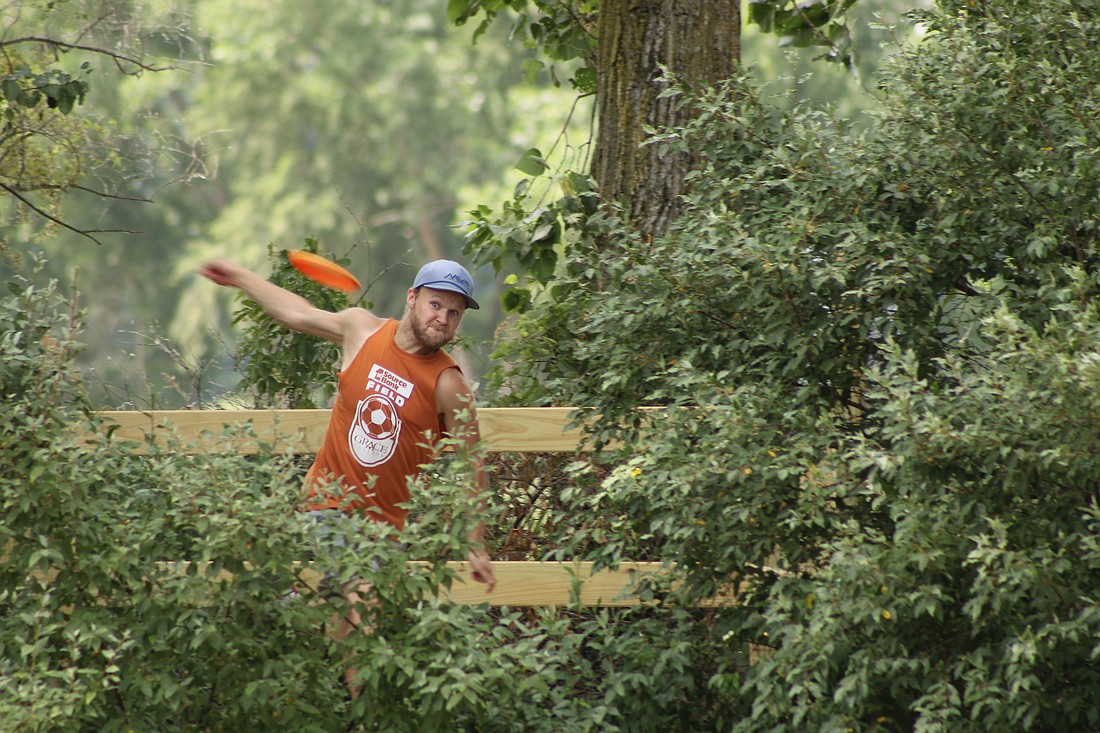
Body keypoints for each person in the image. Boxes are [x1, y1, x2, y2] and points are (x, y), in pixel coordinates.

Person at [200, 257, 497, 685]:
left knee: (357, 646)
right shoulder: (362, 330)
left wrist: (475, 543)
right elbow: (297, 313)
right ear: (412, 298)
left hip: (381, 532)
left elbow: (474, 463)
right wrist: (242, 278)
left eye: (454, 313)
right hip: (323, 507)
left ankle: (355, 711)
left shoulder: (449, 385)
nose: (443, 319)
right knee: (327, 628)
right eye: (436, 305)